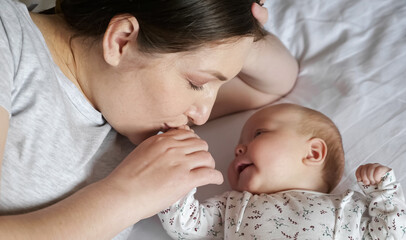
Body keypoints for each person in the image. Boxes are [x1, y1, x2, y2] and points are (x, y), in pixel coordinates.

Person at [0, 0, 299, 239]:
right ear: (121, 41)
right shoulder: (9, 41)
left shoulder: (127, 106)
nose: (202, 114)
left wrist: (238, 30)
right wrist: (128, 196)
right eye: (196, 83)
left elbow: (274, 82)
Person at [158, 103, 406, 239]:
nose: (238, 149)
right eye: (239, 143)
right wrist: (179, 170)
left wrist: (384, 194)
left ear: (313, 153)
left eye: (258, 134)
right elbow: (186, 226)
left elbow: (393, 236)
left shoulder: (347, 208)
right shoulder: (232, 207)